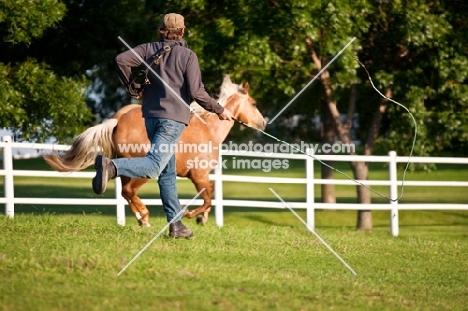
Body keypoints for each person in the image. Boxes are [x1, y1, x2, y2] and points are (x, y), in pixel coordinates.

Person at [92, 13, 233, 238]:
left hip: (150, 117)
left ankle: (176, 226)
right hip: (173, 120)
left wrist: (133, 88)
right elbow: (197, 92)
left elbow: (121, 60)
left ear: (160, 30)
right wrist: (220, 110)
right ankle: (112, 167)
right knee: (156, 166)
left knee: (167, 174)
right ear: (183, 31)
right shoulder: (188, 56)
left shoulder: (149, 49)